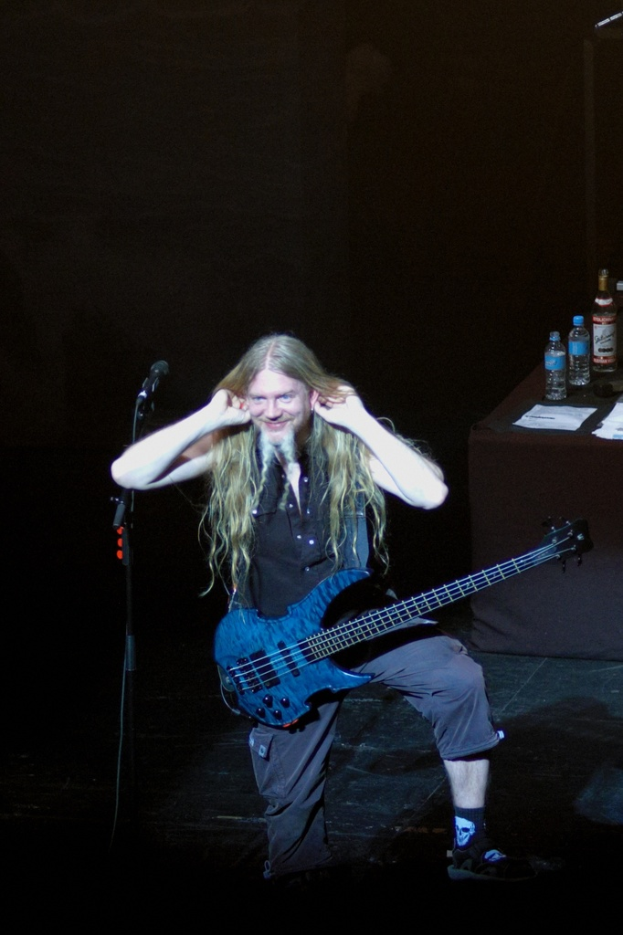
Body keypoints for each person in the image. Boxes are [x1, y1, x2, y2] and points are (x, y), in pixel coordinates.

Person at [111, 333, 534, 884]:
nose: (271, 411)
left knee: (457, 681)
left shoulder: (346, 447)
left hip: (360, 620)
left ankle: (470, 845)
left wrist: (359, 420)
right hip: (277, 647)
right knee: (291, 841)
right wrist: (208, 415)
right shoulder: (231, 446)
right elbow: (128, 475)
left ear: (312, 395)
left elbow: (430, 495)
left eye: (284, 397)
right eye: (258, 400)